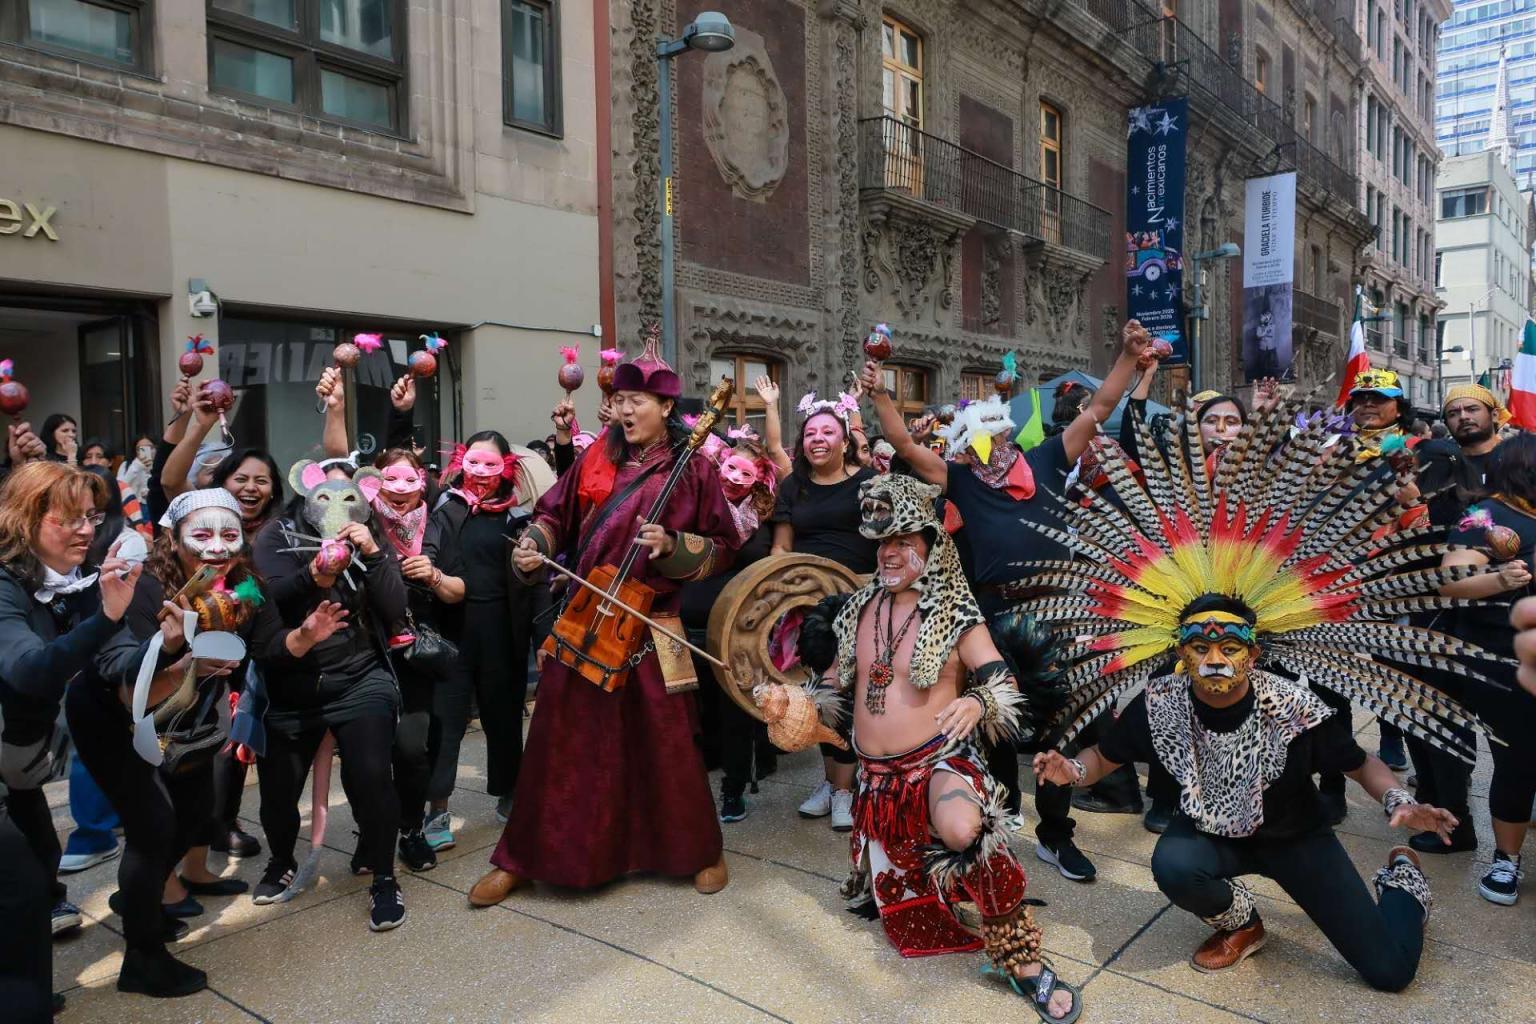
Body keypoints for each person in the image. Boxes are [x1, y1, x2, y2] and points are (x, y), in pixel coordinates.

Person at [1020, 397, 1493, 989]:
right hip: (1212, 835)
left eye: (1229, 645)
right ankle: (1241, 922)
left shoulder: (1290, 705)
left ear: (1255, 652)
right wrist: (1070, 770)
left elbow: (1359, 763)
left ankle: (1404, 880)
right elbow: (1102, 758)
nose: (1214, 658)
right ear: (1180, 652)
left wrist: (1399, 800)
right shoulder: (1162, 702)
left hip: (1297, 840)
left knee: (1390, 971)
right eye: (1199, 645)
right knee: (1174, 862)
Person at [862, 319, 1151, 884]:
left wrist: (1125, 355)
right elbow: (904, 444)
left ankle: (1056, 834)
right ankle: (1003, 812)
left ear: (1008, 434)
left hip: (1054, 615)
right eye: (976, 441)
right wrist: (879, 396)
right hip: (992, 616)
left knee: (1063, 726)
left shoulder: (1047, 459)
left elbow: (1099, 408)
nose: (987, 448)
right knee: (995, 720)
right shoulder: (961, 479)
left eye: (994, 436)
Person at [469, 332, 741, 905]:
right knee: (558, 743)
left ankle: (699, 850)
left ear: (666, 406)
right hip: (587, 616)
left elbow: (723, 546)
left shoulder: (694, 467)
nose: (624, 410)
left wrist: (673, 547)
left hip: (654, 622)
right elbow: (554, 516)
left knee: (668, 746)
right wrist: (534, 544)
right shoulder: (597, 456)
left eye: (636, 401)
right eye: (619, 401)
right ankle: (525, 858)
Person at [797, 472, 1080, 1021]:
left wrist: (977, 701)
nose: (890, 552)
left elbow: (1002, 680)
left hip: (938, 762)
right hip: (877, 780)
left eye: (904, 541)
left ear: (931, 545)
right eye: (883, 542)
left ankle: (1021, 958)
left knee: (966, 832)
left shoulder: (955, 613)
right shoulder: (856, 610)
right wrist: (796, 705)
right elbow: (831, 686)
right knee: (909, 903)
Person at [74, 489, 345, 996]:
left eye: (229, 534)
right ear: (173, 540)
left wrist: (306, 635)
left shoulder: (246, 586)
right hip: (114, 716)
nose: (217, 547)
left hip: (188, 715)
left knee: (198, 811)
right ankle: (143, 958)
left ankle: (138, 897)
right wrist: (179, 655)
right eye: (202, 535)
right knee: (152, 825)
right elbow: (120, 671)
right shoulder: (145, 586)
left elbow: (268, 647)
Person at [0, 462, 142, 1015]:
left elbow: (116, 657)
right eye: (70, 518)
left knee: (39, 867)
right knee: (20, 883)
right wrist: (104, 617)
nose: (86, 530)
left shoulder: (70, 583)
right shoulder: (6, 585)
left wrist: (176, 654)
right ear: (26, 518)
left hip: (15, 764)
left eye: (91, 517)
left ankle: (25, 991)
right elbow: (29, 672)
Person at [250, 459, 409, 931]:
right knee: (278, 789)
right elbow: (263, 597)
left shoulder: (370, 533)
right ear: (307, 491)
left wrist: (374, 554)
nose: (338, 504)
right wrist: (313, 576)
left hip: (359, 675)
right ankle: (281, 860)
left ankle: (384, 876)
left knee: (373, 774)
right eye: (326, 494)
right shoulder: (277, 535)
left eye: (349, 496)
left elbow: (395, 607)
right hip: (291, 683)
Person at [1398, 383, 1511, 856]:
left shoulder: (1517, 464)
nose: (1463, 416)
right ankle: (1451, 816)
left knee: (1509, 731)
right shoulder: (1440, 463)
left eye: (1472, 409)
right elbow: (1427, 537)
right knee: (1433, 714)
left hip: (1506, 614)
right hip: (1438, 610)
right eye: (1454, 411)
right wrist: (1412, 506)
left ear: (1494, 414)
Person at [771, 389, 876, 832]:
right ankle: (832, 784)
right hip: (808, 605)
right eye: (811, 432)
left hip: (860, 599)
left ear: (845, 440)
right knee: (819, 694)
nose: (818, 439)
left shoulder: (868, 482)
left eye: (828, 432)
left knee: (847, 695)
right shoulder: (792, 485)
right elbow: (781, 547)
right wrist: (778, 590)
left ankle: (845, 789)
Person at [1439, 433, 1536, 904]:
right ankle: (1506, 860)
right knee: (1518, 761)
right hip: (1507, 663)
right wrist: (1499, 578)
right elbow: (1450, 580)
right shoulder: (1486, 514)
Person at [369, 447, 468, 864]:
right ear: (373, 482)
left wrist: (434, 575)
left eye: (409, 480)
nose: (400, 490)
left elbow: (460, 589)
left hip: (416, 651)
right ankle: (371, 837)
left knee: (412, 749)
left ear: (422, 484)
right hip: (366, 649)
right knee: (368, 753)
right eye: (390, 479)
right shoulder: (361, 521)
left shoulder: (438, 524)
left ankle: (410, 829)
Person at [436, 430, 531, 824]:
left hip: (501, 631)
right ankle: (436, 809)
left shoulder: (517, 518)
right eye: (473, 461)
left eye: (490, 464)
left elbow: (533, 583)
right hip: (450, 630)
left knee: (503, 718)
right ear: (460, 461)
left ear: (506, 467)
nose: (479, 471)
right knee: (446, 721)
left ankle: (510, 793)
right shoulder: (443, 508)